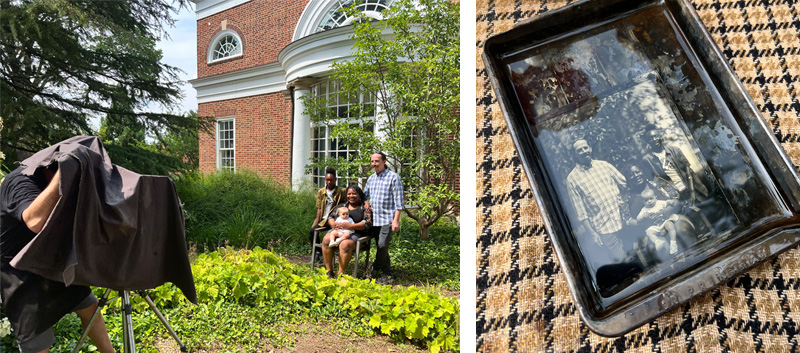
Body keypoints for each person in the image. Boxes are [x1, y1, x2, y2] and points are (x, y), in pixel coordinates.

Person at [1, 164, 115, 353]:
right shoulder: (20, 181)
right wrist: (64, 174)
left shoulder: (54, 181)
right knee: (37, 342)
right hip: (19, 271)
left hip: (50, 258)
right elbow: (35, 221)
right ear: (50, 170)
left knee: (90, 307)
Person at [364, 152, 404, 284]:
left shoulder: (394, 177)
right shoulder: (371, 178)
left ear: (384, 161)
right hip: (374, 219)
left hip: (388, 219)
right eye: (372, 161)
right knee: (382, 247)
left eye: (377, 161)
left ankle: (374, 268)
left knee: (382, 245)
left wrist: (396, 220)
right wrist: (366, 203)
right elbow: (364, 196)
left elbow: (399, 202)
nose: (374, 164)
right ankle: (387, 273)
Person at [321, 185, 372, 279]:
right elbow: (331, 217)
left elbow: (367, 223)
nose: (351, 196)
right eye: (349, 194)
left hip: (356, 233)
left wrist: (351, 226)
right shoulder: (342, 206)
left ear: (359, 195)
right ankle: (329, 271)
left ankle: (340, 274)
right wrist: (333, 224)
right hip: (338, 231)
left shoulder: (364, 208)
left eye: (354, 193)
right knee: (326, 240)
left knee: (345, 244)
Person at [310, 167, 346, 263]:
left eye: (331, 180)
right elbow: (319, 208)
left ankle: (326, 256)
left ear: (335, 180)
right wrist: (317, 220)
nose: (329, 182)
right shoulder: (321, 192)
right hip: (324, 219)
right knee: (312, 232)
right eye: (327, 180)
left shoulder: (341, 191)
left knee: (330, 236)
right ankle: (318, 253)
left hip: (334, 220)